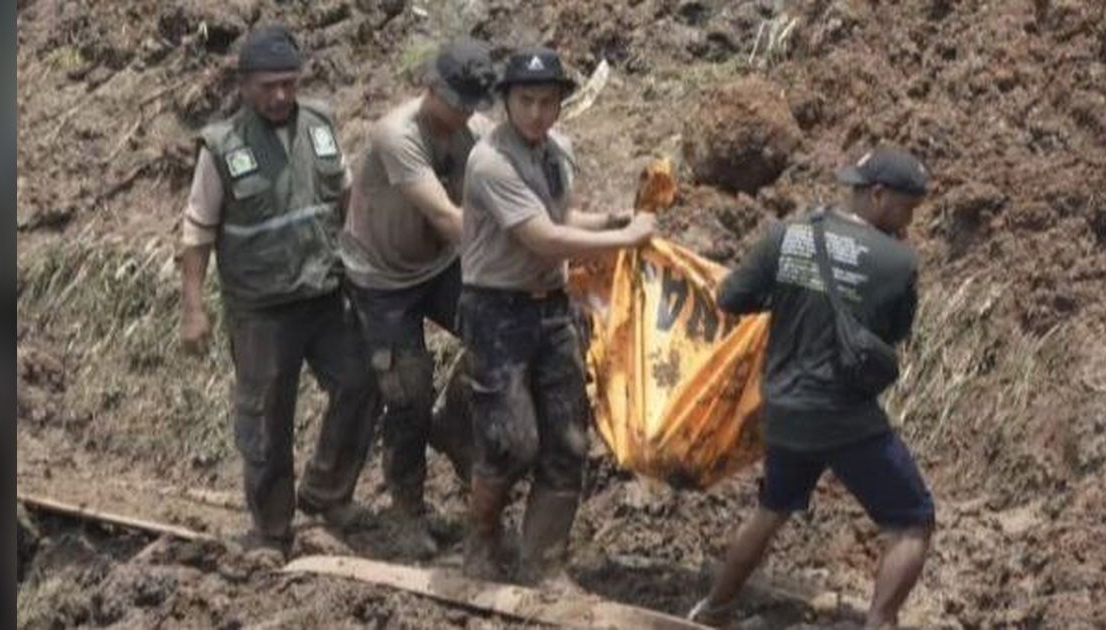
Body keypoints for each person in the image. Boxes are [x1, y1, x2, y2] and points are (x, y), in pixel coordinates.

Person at [688, 146, 936, 628]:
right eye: (907, 208)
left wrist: (789, 294)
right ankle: (881, 622)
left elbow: (732, 298)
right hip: (844, 418)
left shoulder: (787, 236)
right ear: (879, 195)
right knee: (912, 520)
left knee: (771, 509)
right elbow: (891, 335)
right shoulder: (898, 263)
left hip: (783, 408)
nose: (909, 221)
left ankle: (713, 608)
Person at [177, 25, 377, 558]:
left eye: (289, 83)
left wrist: (362, 265)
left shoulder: (319, 125)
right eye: (268, 86)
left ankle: (327, 491)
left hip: (324, 293)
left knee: (362, 384)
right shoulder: (222, 147)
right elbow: (196, 233)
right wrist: (194, 308)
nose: (280, 96)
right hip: (261, 310)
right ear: (243, 85)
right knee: (267, 419)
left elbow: (346, 195)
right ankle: (271, 529)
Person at [458, 46, 655, 583]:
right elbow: (542, 238)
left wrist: (612, 218)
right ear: (505, 101)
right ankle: (480, 541)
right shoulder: (490, 162)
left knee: (568, 442)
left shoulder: (555, 151)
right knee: (511, 441)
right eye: (526, 101)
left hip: (550, 309)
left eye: (548, 102)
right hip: (496, 308)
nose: (538, 113)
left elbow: (562, 216)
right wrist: (622, 239)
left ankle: (542, 563)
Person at [340, 39, 498, 557]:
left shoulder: (473, 130)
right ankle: (405, 511)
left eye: (472, 105)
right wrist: (524, 238)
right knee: (406, 391)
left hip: (436, 266)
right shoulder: (397, 135)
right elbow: (448, 218)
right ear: (431, 89)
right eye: (456, 103)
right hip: (381, 276)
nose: (463, 115)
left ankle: (454, 422)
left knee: (498, 333)